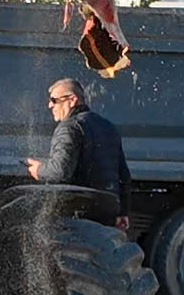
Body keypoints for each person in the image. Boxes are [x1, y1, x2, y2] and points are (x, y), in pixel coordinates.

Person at [22, 77, 131, 231]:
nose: (49, 105)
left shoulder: (69, 127)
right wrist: (123, 212)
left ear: (72, 100)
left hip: (78, 209)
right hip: (107, 208)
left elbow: (60, 172)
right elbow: (123, 175)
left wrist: (38, 170)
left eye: (54, 100)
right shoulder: (108, 127)